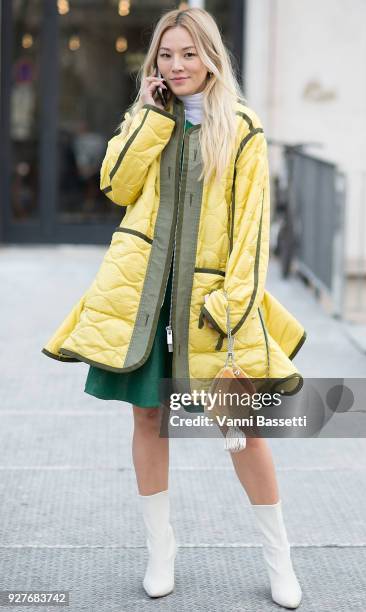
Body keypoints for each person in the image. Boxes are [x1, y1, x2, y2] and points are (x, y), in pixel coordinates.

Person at [41, 7, 306, 608]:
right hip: (143, 299)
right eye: (167, 55)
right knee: (147, 420)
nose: (177, 65)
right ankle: (162, 554)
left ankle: (279, 560)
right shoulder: (150, 121)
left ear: (210, 56)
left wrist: (231, 309)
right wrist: (146, 117)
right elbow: (114, 185)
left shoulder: (241, 128)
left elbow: (252, 235)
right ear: (154, 63)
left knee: (243, 430)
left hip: (209, 307)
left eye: (189, 53)